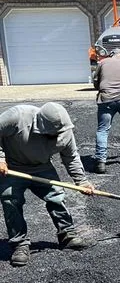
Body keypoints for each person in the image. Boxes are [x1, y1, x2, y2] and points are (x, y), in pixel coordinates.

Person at [0, 102, 95, 268]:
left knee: (57, 197)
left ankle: (67, 234)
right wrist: (0, 158)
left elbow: (71, 157)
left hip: (42, 167)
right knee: (10, 200)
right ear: (41, 126)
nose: (58, 136)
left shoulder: (65, 131)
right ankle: (19, 244)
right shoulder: (17, 116)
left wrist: (82, 181)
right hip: (13, 167)